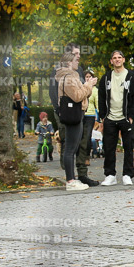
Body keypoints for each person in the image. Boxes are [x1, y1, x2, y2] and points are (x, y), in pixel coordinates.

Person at [98, 50, 134, 186]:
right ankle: (110, 175)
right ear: (111, 61)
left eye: (119, 57)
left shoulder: (131, 77)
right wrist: (103, 117)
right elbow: (101, 98)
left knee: (128, 147)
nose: (117, 59)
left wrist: (131, 116)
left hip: (126, 118)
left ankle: (127, 174)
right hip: (110, 118)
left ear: (124, 60)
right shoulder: (106, 78)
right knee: (109, 148)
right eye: (114, 58)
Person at [55, 49, 97, 191]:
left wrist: (88, 85)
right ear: (69, 62)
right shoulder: (68, 77)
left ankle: (72, 179)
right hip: (73, 115)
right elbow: (78, 96)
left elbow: (84, 95)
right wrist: (88, 85)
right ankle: (70, 181)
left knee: (72, 148)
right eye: (76, 60)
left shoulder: (72, 76)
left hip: (77, 114)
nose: (78, 62)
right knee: (70, 149)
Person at [49, 43, 81, 173]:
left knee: (77, 139)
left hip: (78, 110)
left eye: (79, 53)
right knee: (66, 138)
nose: (79, 56)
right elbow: (52, 91)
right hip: (64, 110)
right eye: (76, 54)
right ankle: (67, 168)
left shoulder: (79, 69)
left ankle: (79, 169)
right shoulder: (57, 71)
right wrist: (58, 108)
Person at [76, 70, 100, 187]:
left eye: (90, 77)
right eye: (86, 77)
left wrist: (100, 117)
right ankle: (80, 161)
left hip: (90, 115)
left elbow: (97, 104)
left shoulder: (95, 91)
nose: (88, 78)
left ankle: (86, 158)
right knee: (79, 139)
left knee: (86, 139)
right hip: (81, 114)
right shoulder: (81, 87)